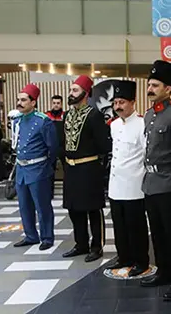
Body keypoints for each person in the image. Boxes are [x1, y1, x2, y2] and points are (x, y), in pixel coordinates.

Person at [139, 60, 171, 289]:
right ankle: (163, 271)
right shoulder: (148, 115)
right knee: (156, 233)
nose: (150, 89)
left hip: (169, 183)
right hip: (150, 182)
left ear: (168, 89)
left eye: (155, 85)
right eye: (149, 85)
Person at [62, 75, 111, 263]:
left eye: (75, 90)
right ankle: (80, 243)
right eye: (71, 90)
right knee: (74, 209)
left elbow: (103, 145)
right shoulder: (67, 115)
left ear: (85, 93)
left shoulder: (94, 114)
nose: (71, 94)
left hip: (89, 168)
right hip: (71, 169)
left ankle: (96, 246)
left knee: (92, 209)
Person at [105, 80, 150, 277]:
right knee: (119, 225)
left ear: (133, 102)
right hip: (115, 184)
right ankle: (124, 257)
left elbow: (146, 154)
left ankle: (141, 261)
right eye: (115, 103)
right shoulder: (114, 125)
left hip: (134, 185)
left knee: (136, 226)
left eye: (122, 102)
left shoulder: (142, 124)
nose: (118, 107)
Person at [12, 84, 58, 250]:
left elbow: (52, 147)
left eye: (23, 100)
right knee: (24, 205)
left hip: (38, 168)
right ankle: (31, 235)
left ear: (33, 102)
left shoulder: (43, 121)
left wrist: (46, 165)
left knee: (42, 205)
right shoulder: (17, 120)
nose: (19, 102)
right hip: (21, 169)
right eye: (18, 99)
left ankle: (47, 237)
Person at [45, 95, 65, 198]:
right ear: (51, 103)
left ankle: (68, 192)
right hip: (51, 147)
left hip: (63, 147)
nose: (56, 105)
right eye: (54, 103)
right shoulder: (46, 116)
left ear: (61, 104)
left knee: (67, 170)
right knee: (50, 171)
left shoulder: (65, 116)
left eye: (58, 103)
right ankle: (50, 193)